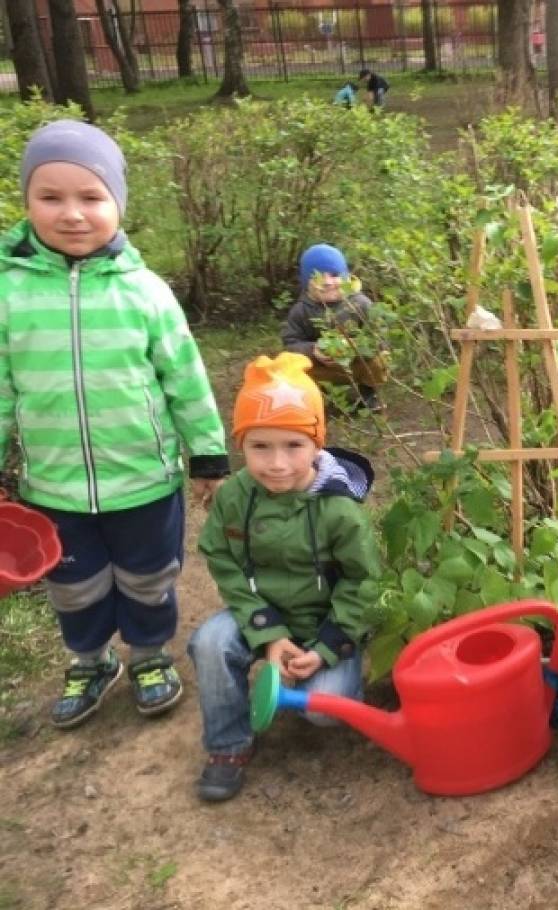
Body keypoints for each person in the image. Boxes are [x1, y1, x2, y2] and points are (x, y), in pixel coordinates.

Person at [0, 120, 229, 730]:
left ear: (117, 205)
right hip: (54, 487)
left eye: (91, 197)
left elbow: (186, 377)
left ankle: (151, 655)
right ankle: (91, 659)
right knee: (73, 585)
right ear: (26, 202)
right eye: (51, 197)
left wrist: (207, 456)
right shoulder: (9, 293)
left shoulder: (145, 292)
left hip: (144, 481)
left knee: (150, 577)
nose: (72, 214)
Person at [188, 352, 381, 802]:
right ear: (241, 446)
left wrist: (331, 644)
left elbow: (364, 583)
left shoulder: (339, 509)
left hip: (324, 621)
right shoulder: (235, 495)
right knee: (210, 642)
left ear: (318, 444)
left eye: (293, 446)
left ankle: (330, 669)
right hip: (262, 612)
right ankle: (227, 746)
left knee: (325, 713)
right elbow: (221, 556)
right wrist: (267, 632)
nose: (277, 463)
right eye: (260, 447)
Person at [282, 243, 388, 413]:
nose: (328, 282)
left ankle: (369, 394)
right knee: (291, 365)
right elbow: (290, 344)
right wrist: (313, 350)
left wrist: (356, 346)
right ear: (306, 282)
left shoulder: (360, 304)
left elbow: (381, 339)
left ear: (346, 276)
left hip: (357, 364)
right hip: (322, 367)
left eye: (334, 275)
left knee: (379, 359)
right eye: (317, 277)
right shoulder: (301, 310)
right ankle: (316, 395)